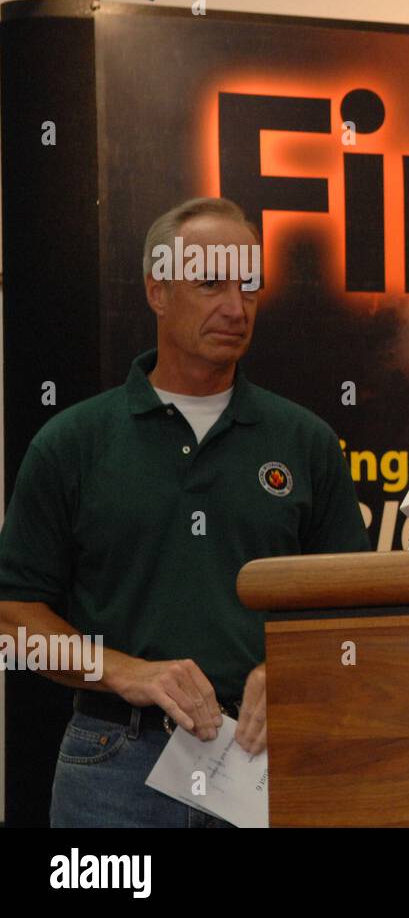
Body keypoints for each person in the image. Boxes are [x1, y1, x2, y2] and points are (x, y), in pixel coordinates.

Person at [0, 197, 370, 827]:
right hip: (114, 763)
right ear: (157, 291)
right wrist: (125, 673)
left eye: (247, 285)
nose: (235, 306)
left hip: (269, 756)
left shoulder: (304, 441)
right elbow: (13, 621)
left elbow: (353, 607)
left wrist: (289, 668)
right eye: (210, 283)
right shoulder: (74, 442)